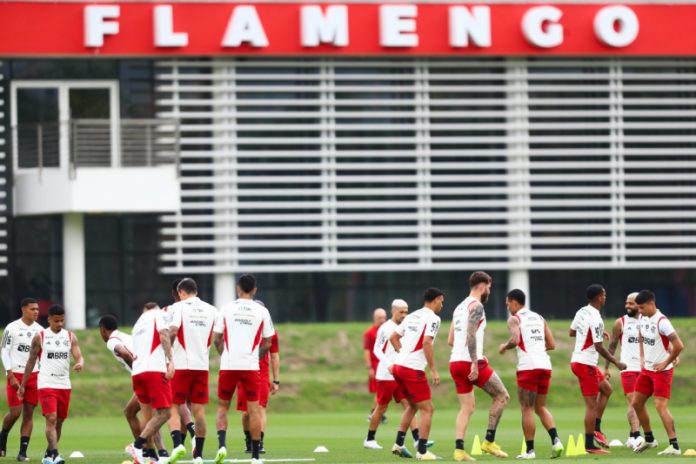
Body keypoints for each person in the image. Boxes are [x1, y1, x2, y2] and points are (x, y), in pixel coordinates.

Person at [213, 274, 275, 464]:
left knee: (223, 406)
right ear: (254, 290)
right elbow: (268, 342)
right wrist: (255, 357)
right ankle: (256, 457)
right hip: (250, 366)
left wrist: (225, 355)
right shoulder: (262, 311)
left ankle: (222, 446)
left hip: (229, 365)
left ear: (237, 288)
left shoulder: (226, 308)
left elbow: (216, 338)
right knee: (254, 409)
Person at [448, 271, 509, 462]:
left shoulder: (459, 307)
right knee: (502, 396)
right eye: (489, 287)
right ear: (482, 286)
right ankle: (489, 442)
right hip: (470, 362)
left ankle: (459, 451)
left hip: (455, 362)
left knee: (467, 408)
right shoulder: (477, 306)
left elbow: (451, 339)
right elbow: (471, 335)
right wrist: (475, 362)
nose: (489, 290)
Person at [498, 289, 564, 460]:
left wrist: (504, 346)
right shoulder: (539, 318)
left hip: (528, 367)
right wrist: (536, 348)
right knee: (540, 407)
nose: (507, 307)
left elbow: (515, 340)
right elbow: (552, 344)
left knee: (527, 408)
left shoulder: (515, 319)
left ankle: (530, 452)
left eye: (507, 304)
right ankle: (556, 441)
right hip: (545, 364)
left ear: (514, 302)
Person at [18, 305, 84, 464]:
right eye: (56, 321)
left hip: (64, 384)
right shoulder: (40, 337)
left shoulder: (70, 336)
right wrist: (23, 385)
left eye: (62, 320)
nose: (60, 324)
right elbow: (31, 361)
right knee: (51, 418)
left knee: (59, 422)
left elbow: (79, 356)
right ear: (49, 319)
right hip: (46, 383)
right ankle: (55, 454)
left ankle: (48, 455)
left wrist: (80, 363)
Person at [98, 312, 168, 461]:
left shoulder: (112, 340)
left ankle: (146, 450)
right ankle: (152, 452)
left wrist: (136, 372)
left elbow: (125, 353)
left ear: (102, 330)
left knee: (150, 415)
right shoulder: (126, 336)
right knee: (131, 411)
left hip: (146, 374)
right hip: (153, 371)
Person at [364, 299, 432, 451]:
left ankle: (416, 439)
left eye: (406, 311)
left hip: (400, 374)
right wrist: (388, 364)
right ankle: (369, 439)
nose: (404, 314)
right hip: (386, 375)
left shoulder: (405, 327)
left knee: (409, 405)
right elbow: (376, 350)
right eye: (401, 311)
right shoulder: (385, 328)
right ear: (393, 311)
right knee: (381, 408)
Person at [165, 278, 218, 464]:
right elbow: (218, 337)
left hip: (181, 365)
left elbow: (172, 332)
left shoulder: (177, 307)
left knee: (173, 405)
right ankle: (199, 456)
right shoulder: (212, 310)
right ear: (196, 290)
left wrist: (167, 358)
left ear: (181, 292)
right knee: (199, 410)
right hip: (202, 366)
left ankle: (177, 445)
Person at [569, 284, 626, 454]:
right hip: (585, 364)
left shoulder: (581, 311)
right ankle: (589, 444)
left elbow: (572, 332)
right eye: (605, 294)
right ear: (600, 297)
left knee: (607, 389)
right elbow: (599, 347)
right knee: (591, 406)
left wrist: (598, 334)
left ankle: (596, 428)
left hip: (581, 361)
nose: (606, 297)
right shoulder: (596, 318)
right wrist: (617, 362)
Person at [389, 287, 444, 461]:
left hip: (399, 366)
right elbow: (427, 342)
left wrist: (401, 356)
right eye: (442, 301)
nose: (442, 305)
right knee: (428, 408)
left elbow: (393, 338)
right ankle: (422, 451)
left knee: (413, 406)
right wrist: (433, 369)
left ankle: (398, 444)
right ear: (436, 300)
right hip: (412, 369)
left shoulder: (412, 315)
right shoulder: (434, 318)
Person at [631, 290, 684, 456]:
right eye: (638, 307)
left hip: (662, 372)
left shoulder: (663, 322)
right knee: (636, 403)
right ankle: (649, 439)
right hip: (647, 370)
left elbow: (679, 345)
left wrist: (666, 361)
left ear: (651, 304)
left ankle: (674, 446)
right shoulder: (642, 318)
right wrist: (642, 356)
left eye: (641, 307)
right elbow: (641, 337)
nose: (639, 311)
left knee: (660, 406)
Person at [126, 303, 176, 464]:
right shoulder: (158, 314)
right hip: (153, 370)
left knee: (148, 416)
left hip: (138, 373)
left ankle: (150, 455)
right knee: (165, 413)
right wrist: (170, 360)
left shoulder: (137, 323)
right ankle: (137, 446)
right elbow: (163, 335)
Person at [0, 298, 43, 461]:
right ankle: (3, 436)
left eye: (38, 309)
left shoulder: (40, 330)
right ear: (24, 310)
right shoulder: (12, 328)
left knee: (29, 413)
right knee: (15, 412)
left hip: (34, 375)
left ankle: (22, 453)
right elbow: (4, 351)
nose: (36, 312)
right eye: (33, 309)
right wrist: (9, 374)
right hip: (16, 374)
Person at [237, 304, 279, 455]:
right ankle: (248, 439)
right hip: (243, 372)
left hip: (262, 376)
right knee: (246, 412)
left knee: (260, 408)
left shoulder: (271, 333)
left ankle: (259, 442)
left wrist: (276, 380)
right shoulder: (243, 330)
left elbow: (274, 355)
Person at [605, 292, 643, 449]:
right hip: (627, 368)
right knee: (633, 401)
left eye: (631, 303)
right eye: (626, 303)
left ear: (640, 304)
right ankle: (636, 436)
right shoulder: (620, 322)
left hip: (645, 368)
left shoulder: (647, 321)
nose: (627, 306)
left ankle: (632, 436)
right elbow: (612, 346)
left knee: (639, 403)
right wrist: (606, 367)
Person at [164, 279, 197, 450]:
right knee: (189, 404)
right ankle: (189, 442)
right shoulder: (200, 311)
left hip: (177, 362)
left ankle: (187, 437)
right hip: (198, 364)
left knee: (175, 403)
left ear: (174, 293)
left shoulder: (168, 311)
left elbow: (164, 334)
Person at [364, 308, 387, 422]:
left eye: (384, 317)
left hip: (386, 365)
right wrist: (369, 367)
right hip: (376, 365)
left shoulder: (388, 330)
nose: (382, 320)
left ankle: (378, 414)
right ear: (374, 318)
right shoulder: (370, 333)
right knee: (379, 391)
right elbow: (367, 350)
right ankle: (374, 414)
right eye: (379, 318)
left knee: (384, 391)